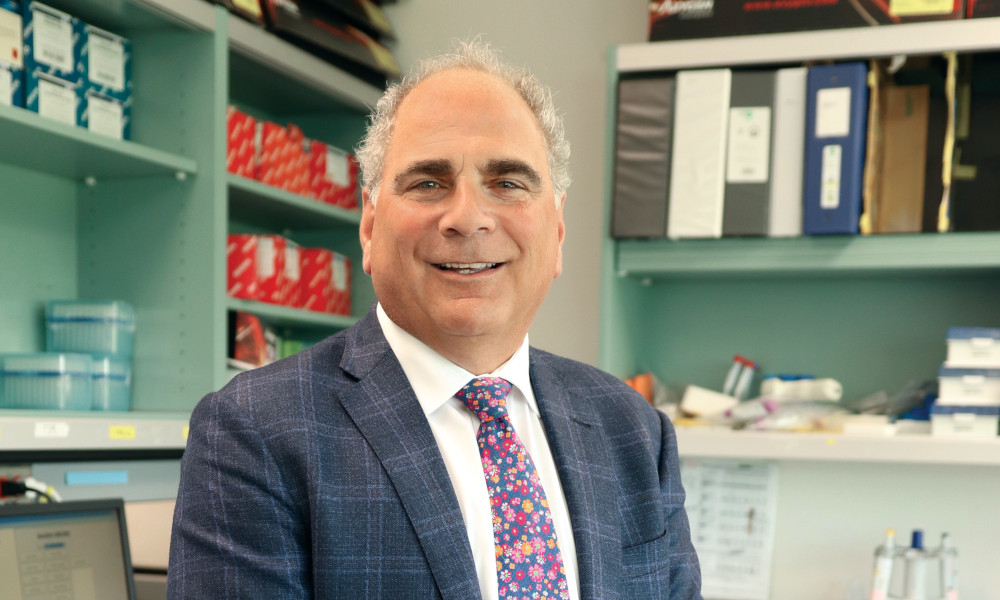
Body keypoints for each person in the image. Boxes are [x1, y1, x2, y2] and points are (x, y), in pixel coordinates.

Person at [167, 40, 701, 600]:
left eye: (508, 183)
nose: (467, 217)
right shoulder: (252, 431)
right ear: (370, 227)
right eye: (428, 183)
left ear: (558, 231)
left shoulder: (635, 432)